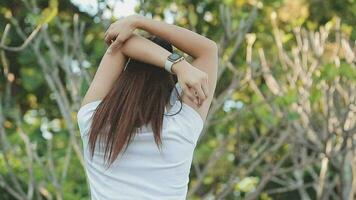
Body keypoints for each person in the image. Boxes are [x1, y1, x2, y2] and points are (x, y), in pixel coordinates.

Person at [77, 14, 218, 200]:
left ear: (123, 78)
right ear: (170, 87)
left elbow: (119, 44)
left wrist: (177, 66)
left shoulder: (92, 122)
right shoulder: (182, 128)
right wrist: (139, 22)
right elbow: (208, 50)